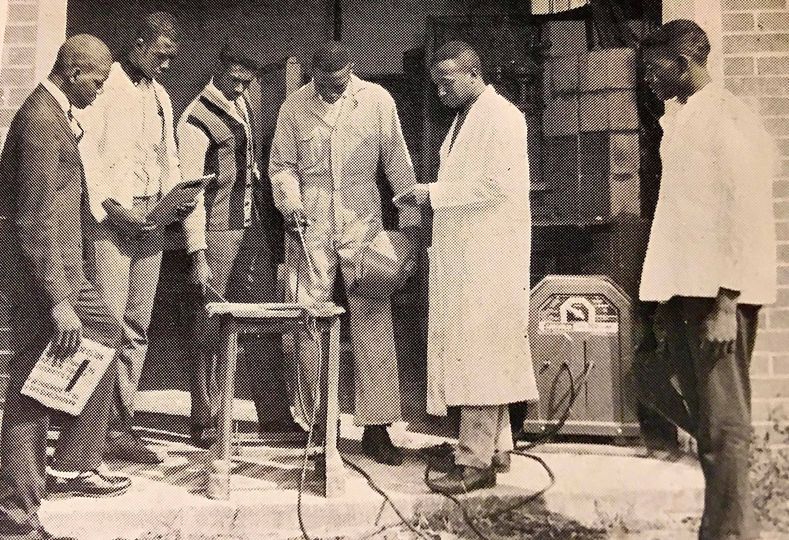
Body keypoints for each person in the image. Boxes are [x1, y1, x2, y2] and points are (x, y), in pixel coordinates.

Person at [635, 20, 777, 540]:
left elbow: (747, 214)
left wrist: (727, 302)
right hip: (681, 290)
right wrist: (659, 298)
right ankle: (725, 519)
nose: (648, 79)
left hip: (718, 296)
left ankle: (731, 531)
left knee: (722, 424)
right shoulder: (680, 119)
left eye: (655, 69)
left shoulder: (729, 120)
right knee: (646, 377)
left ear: (685, 63)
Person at [0, 35, 132, 540]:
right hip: (44, 281)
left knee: (104, 334)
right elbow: (35, 219)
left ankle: (73, 461)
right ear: (74, 72)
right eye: (97, 81)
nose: (99, 91)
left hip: (63, 274)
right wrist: (58, 300)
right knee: (31, 393)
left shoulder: (52, 116)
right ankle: (17, 517)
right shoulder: (40, 122)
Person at [396, 41, 538, 493]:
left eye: (446, 82)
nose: (440, 92)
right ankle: (496, 448)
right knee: (482, 353)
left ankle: (474, 462)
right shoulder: (465, 119)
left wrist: (431, 194)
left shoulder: (503, 118)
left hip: (490, 257)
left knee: (480, 355)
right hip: (468, 253)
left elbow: (498, 186)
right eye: (436, 84)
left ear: (473, 72)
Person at [268, 41, 420, 465]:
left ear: (351, 70)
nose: (331, 92)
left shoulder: (377, 101)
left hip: (363, 224)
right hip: (309, 226)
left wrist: (408, 230)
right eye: (323, 84)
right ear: (313, 72)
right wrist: (290, 202)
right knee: (307, 321)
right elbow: (281, 166)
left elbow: (398, 165)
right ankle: (318, 428)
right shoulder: (294, 107)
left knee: (373, 322)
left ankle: (376, 428)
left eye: (338, 84)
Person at [76, 11, 192, 464]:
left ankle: (119, 426)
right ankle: (86, 433)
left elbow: (168, 158)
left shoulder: (160, 94)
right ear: (140, 43)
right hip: (111, 220)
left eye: (172, 59)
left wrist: (178, 198)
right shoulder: (106, 87)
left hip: (152, 218)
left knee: (136, 327)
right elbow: (87, 158)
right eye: (161, 56)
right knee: (102, 324)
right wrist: (113, 209)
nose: (166, 66)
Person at [178, 42, 298, 447]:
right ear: (221, 69)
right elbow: (189, 191)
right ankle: (207, 422)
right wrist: (197, 252)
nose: (242, 90)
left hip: (253, 230)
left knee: (266, 318)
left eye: (248, 83)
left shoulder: (244, 103)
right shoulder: (195, 118)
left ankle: (276, 416)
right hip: (217, 232)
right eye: (236, 81)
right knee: (211, 326)